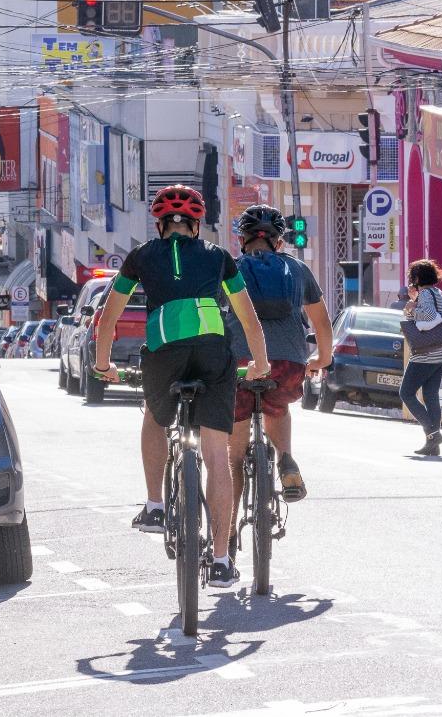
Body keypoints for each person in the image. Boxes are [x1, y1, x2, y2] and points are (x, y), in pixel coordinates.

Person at [95, 186, 270, 590]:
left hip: (163, 350)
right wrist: (259, 363)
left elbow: (109, 316)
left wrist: (103, 364)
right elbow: (248, 319)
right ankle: (223, 561)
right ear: (196, 223)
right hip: (213, 353)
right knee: (216, 455)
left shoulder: (141, 257)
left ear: (160, 224)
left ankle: (155, 506)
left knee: (155, 419)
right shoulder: (219, 257)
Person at [224, 206, 334, 556]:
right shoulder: (297, 269)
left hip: (242, 363)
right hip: (288, 363)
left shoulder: (231, 270)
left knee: (234, 455)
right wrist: (322, 358)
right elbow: (321, 321)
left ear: (242, 240)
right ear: (279, 240)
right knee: (279, 407)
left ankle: (226, 535)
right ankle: (285, 457)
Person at [399, 259, 442, 457]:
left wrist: (412, 307)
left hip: (425, 353)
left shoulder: (425, 295)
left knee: (406, 393)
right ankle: (432, 445)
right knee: (431, 396)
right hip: (441, 352)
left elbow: (429, 317)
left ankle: (432, 432)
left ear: (418, 277)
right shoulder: (438, 294)